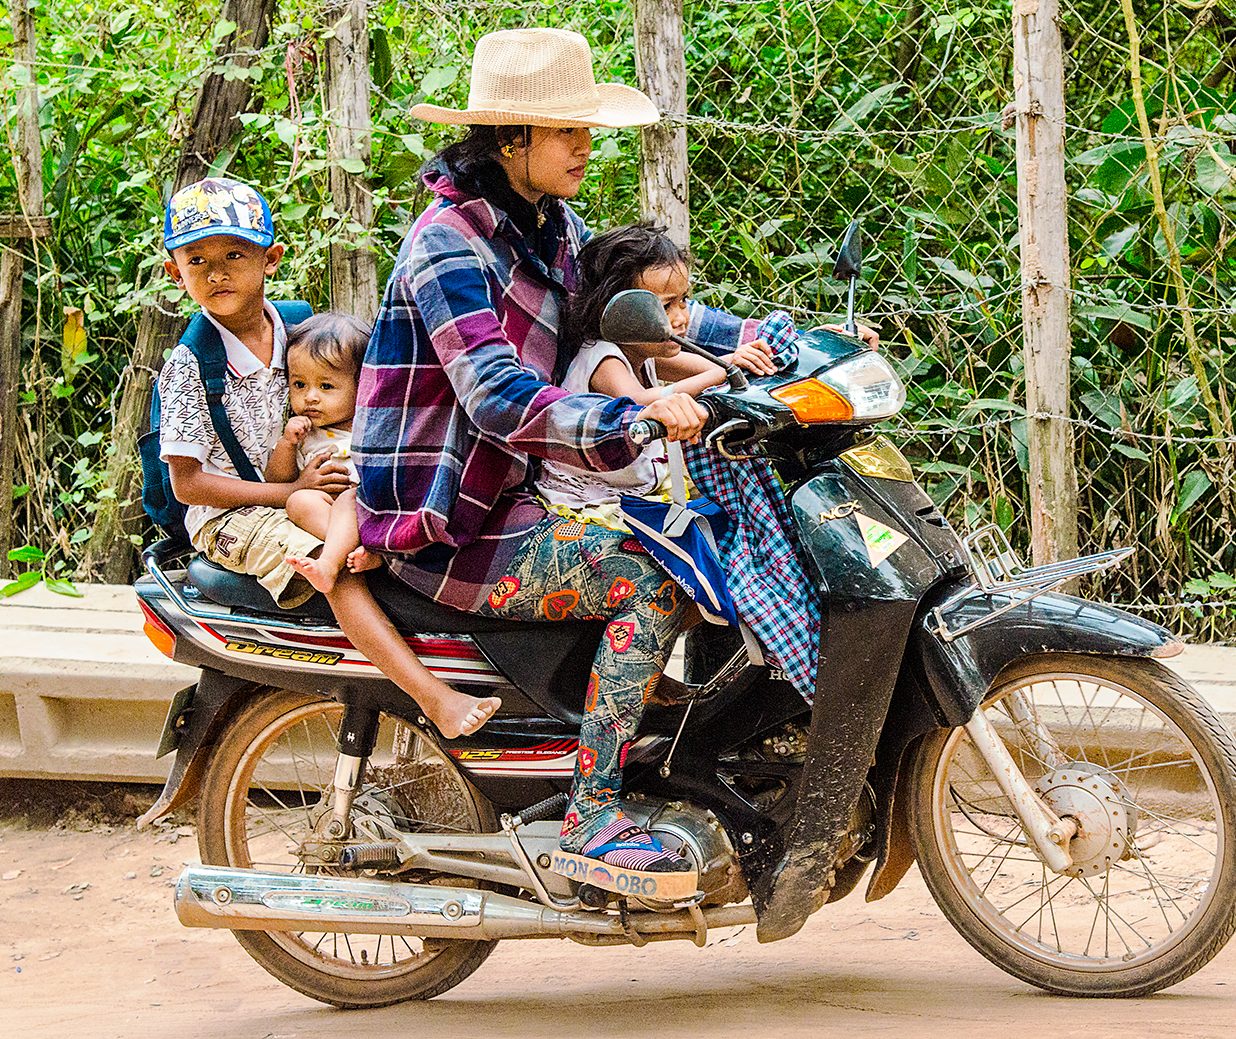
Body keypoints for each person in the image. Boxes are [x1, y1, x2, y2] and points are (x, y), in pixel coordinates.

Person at [348, 27, 772, 895]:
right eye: (565, 129)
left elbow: (645, 309)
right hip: (452, 518)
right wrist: (636, 413)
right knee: (648, 577)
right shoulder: (447, 244)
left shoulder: (550, 227)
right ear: (510, 140)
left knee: (703, 546)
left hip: (522, 492)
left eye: (587, 127)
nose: (585, 144)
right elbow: (497, 396)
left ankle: (645, 737)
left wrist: (772, 339)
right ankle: (593, 817)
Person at [154, 181, 498, 741]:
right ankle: (434, 698)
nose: (217, 274)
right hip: (232, 517)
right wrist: (290, 492)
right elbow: (189, 485)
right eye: (198, 261)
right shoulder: (191, 365)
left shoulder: (296, 327)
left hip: (310, 481)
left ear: (270, 258)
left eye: (233, 255)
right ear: (176, 272)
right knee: (333, 571)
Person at [536, 222, 777, 527]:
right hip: (594, 502)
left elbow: (713, 368)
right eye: (665, 307)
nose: (681, 318)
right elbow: (640, 400)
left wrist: (743, 360)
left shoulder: (645, 351)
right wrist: (723, 370)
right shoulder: (602, 357)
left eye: (683, 301)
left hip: (638, 489)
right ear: (618, 315)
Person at [269, 313, 383, 589]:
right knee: (298, 502)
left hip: (376, 513)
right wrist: (287, 444)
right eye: (299, 384)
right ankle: (358, 552)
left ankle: (331, 563)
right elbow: (277, 481)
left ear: (361, 385)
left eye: (326, 386)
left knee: (349, 499)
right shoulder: (305, 434)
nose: (310, 396)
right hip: (333, 514)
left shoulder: (372, 426)